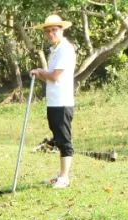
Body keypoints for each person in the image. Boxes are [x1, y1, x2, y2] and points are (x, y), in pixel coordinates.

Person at [30, 14, 76, 188]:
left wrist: (41, 71)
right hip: (53, 101)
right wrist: (39, 73)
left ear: (62, 30)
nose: (50, 34)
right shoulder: (54, 50)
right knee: (57, 137)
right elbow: (50, 79)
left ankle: (65, 178)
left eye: (54, 30)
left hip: (63, 102)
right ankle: (60, 175)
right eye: (47, 31)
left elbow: (55, 75)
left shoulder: (65, 48)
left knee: (64, 139)